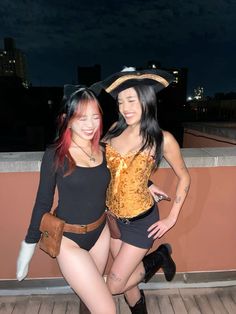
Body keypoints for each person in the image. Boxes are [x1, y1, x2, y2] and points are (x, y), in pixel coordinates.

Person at [95, 67, 191, 313]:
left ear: (146, 100)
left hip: (141, 222)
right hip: (113, 219)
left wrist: (172, 217)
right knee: (127, 283)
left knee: (114, 284)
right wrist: (147, 183)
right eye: (120, 101)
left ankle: (158, 258)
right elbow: (113, 169)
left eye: (131, 100)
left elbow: (184, 177)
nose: (125, 107)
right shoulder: (116, 127)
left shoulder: (162, 139)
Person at [16, 86, 117, 314]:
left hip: (100, 233)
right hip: (69, 240)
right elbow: (43, 202)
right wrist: (28, 247)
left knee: (89, 301)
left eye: (95, 116)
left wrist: (149, 186)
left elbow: (122, 176)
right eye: (82, 118)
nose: (90, 124)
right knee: (107, 309)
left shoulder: (104, 149)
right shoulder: (56, 154)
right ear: (67, 119)